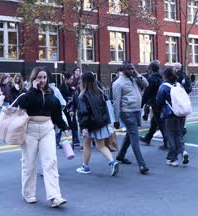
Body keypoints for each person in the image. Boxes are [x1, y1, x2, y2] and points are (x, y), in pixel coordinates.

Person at [17, 66, 69, 208]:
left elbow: (56, 113)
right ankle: (28, 193)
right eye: (39, 77)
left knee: (51, 162)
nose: (42, 80)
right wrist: (33, 90)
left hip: (47, 128)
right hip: (30, 130)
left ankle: (55, 197)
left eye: (44, 77)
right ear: (34, 78)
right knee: (29, 164)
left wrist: (64, 127)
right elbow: (23, 105)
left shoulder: (51, 92)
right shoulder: (26, 92)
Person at [75, 72, 120, 176]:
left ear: (84, 81)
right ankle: (112, 162)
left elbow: (84, 112)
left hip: (90, 124)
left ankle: (85, 167)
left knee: (87, 144)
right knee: (101, 146)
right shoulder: (100, 93)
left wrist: (84, 127)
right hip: (101, 123)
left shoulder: (82, 95)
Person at [113, 61, 150, 175]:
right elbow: (116, 102)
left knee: (130, 135)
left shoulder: (134, 79)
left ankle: (120, 155)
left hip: (136, 111)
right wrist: (116, 119)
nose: (132, 71)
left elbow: (146, 84)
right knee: (134, 136)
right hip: (127, 112)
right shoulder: (118, 83)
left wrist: (138, 74)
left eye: (133, 68)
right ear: (123, 70)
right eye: (129, 69)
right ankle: (142, 164)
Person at [154, 67, 189, 167]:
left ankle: (173, 159)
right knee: (178, 134)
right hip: (181, 113)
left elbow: (159, 101)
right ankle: (183, 151)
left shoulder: (163, 86)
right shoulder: (178, 85)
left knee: (170, 136)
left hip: (169, 114)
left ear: (164, 75)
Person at [140, 61, 167, 149]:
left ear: (150, 69)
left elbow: (147, 93)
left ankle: (167, 143)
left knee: (160, 123)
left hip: (155, 103)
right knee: (154, 122)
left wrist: (141, 104)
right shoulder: (161, 78)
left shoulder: (151, 79)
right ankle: (148, 138)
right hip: (160, 102)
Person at [58, 72, 78, 147]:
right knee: (66, 125)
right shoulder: (62, 88)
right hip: (65, 108)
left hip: (70, 108)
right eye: (71, 79)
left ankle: (75, 139)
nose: (72, 81)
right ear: (66, 79)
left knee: (73, 124)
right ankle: (65, 141)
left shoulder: (69, 86)